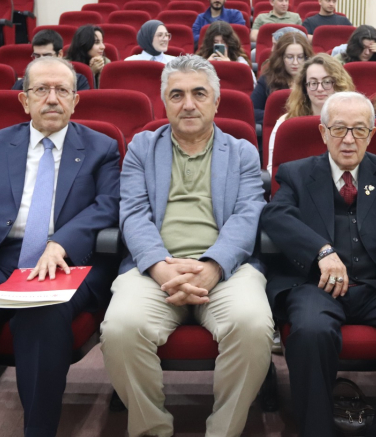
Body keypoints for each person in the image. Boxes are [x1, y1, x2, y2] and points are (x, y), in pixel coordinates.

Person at [0, 57, 120, 437]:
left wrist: (61, 243)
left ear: (76, 100)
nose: (52, 98)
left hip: (64, 263)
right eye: (41, 90)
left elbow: (108, 206)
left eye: (62, 90)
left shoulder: (101, 148)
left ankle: (38, 429)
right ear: (24, 100)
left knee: (41, 311)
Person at [100, 55, 274, 437]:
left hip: (227, 270)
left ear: (217, 101)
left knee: (253, 325)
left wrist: (214, 266)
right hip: (153, 269)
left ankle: (223, 432)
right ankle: (153, 430)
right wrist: (160, 266)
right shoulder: (142, 148)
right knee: (120, 328)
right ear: (164, 102)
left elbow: (248, 215)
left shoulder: (242, 151)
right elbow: (133, 214)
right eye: (177, 95)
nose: (188, 104)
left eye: (199, 93)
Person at [261, 91, 376, 437]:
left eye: (359, 130)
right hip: (317, 285)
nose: (349, 139)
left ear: (371, 134)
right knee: (311, 332)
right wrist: (321, 250)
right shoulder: (297, 173)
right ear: (323, 132)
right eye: (339, 129)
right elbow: (276, 215)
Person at [265, 53, 355, 172]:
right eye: (313, 83)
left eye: (327, 82)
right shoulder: (286, 123)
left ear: (338, 84)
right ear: (305, 88)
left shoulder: (354, 121)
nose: (320, 89)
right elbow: (274, 169)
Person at [251, 30, 313, 124]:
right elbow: (252, 111)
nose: (295, 62)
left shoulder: (315, 81)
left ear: (306, 58)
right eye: (290, 57)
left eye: (300, 57)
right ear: (281, 58)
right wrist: (285, 118)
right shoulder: (268, 79)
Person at [11, 29, 90, 91]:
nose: (41, 61)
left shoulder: (78, 81)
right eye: (37, 56)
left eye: (47, 56)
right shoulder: (22, 84)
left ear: (60, 54)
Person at [195, 20, 256, 85]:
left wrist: (231, 66)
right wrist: (206, 65)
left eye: (223, 42)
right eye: (215, 42)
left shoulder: (240, 60)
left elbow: (252, 83)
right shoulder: (200, 59)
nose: (219, 44)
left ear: (229, 42)